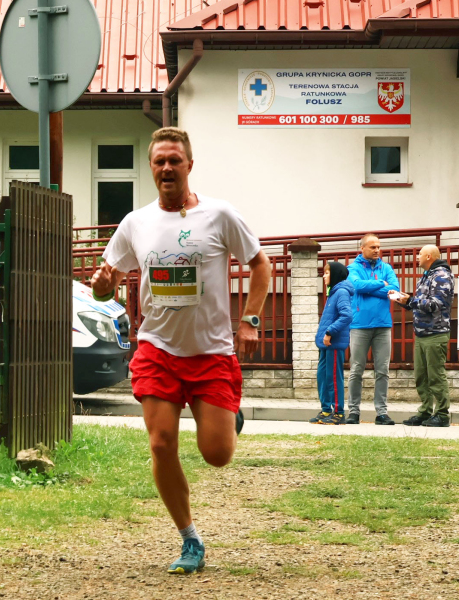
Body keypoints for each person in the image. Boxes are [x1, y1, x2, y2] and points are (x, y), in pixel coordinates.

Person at [91, 127, 271, 574]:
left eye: (175, 160)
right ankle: (190, 539)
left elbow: (260, 264)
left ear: (189, 165)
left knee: (217, 455)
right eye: (160, 161)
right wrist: (102, 285)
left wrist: (249, 320)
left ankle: (227, 417)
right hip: (158, 348)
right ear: (151, 168)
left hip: (211, 352)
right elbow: (105, 283)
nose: (167, 168)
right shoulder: (136, 223)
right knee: (161, 442)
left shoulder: (219, 215)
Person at [391, 245, 454, 427]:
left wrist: (411, 300)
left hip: (436, 333)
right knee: (421, 376)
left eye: (419, 254)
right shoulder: (427, 276)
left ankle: (442, 414)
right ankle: (425, 411)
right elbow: (419, 304)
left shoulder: (441, 276)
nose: (417, 257)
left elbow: (436, 304)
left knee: (435, 376)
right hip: (421, 333)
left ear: (428, 256)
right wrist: (402, 300)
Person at [346, 234, 399, 425]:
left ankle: (381, 413)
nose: (377, 250)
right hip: (359, 325)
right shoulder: (352, 268)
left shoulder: (386, 268)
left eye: (378, 247)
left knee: (382, 370)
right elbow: (356, 286)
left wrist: (372, 288)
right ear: (362, 248)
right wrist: (381, 284)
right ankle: (353, 412)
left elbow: (395, 288)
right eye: (372, 247)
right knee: (356, 370)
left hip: (383, 325)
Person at [309, 262, 354, 425]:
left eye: (327, 273)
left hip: (333, 343)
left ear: (335, 275)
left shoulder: (341, 292)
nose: (323, 276)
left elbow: (346, 315)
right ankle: (326, 410)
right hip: (326, 345)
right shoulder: (333, 292)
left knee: (333, 378)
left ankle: (339, 413)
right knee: (323, 377)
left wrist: (329, 332)